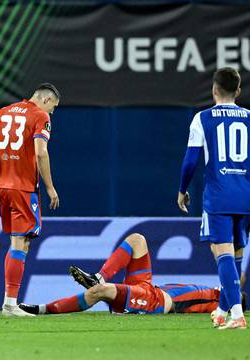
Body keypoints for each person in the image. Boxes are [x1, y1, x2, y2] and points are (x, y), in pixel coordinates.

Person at [0, 83, 60, 316]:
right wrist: (50, 187)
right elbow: (41, 152)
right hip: (23, 188)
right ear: (45, 99)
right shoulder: (40, 116)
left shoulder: (3, 112)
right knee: (20, 242)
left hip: (3, 187)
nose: (52, 112)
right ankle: (10, 304)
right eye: (53, 106)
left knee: (16, 242)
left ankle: (9, 302)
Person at [177, 67, 250, 330]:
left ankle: (237, 314)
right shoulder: (249, 117)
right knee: (235, 252)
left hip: (219, 195)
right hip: (246, 195)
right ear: (238, 91)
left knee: (222, 252)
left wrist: (182, 190)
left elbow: (190, 161)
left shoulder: (202, 118)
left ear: (213, 89)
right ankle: (221, 308)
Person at [19, 233, 248, 315]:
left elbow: (233, 284)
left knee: (101, 292)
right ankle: (100, 275)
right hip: (150, 289)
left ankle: (42, 310)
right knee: (137, 240)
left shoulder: (218, 303)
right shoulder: (219, 290)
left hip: (155, 302)